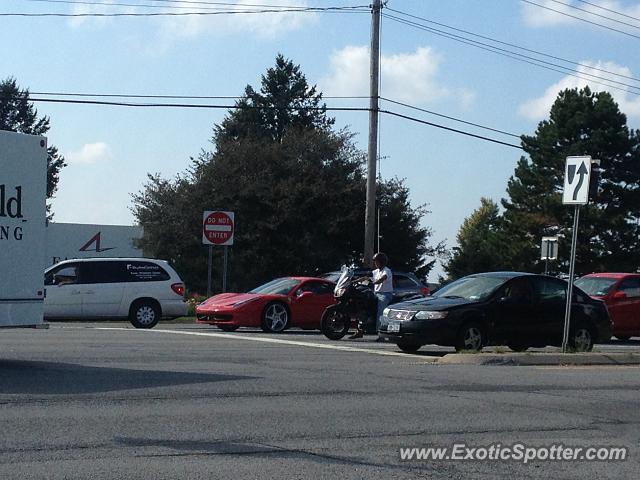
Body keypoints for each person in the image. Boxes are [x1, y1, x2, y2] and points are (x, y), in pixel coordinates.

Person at [349, 252, 393, 339]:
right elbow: (365, 277)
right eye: (375, 262)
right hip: (375, 293)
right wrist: (353, 281)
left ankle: (381, 335)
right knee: (362, 306)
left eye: (377, 261)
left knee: (381, 312)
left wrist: (374, 282)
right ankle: (359, 331)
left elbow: (382, 279)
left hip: (385, 294)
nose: (375, 263)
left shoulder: (387, 271)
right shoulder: (375, 271)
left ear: (382, 262)